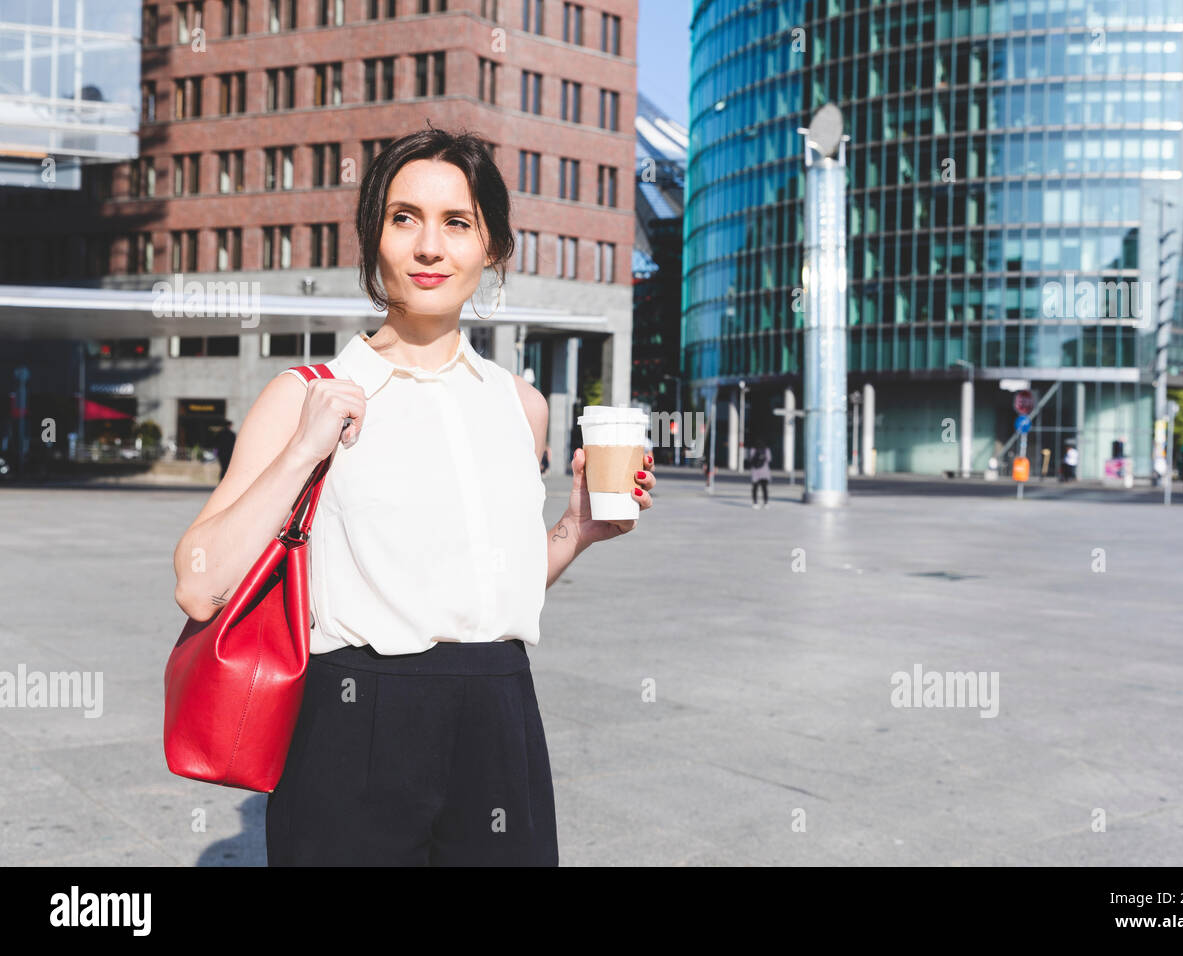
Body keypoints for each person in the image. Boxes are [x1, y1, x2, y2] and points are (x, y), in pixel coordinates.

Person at [171, 126, 656, 866]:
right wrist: (306, 448)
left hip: (499, 714)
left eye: (457, 223)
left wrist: (576, 530)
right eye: (405, 218)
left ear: (491, 249)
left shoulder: (520, 405)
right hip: (352, 719)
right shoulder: (306, 394)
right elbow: (198, 582)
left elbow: (493, 588)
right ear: (374, 239)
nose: (430, 247)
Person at [748, 441, 772, 508]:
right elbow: (769, 459)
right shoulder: (766, 450)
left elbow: (750, 459)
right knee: (764, 488)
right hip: (765, 472)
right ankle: (766, 503)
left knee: (755, 488)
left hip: (755, 472)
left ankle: (755, 503)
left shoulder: (753, 449)